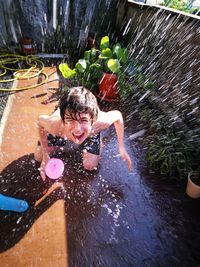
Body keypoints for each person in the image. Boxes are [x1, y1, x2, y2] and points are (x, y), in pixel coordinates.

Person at [34, 86, 132, 181]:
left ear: (93, 120)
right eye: (70, 120)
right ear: (63, 120)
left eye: (83, 120)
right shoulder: (54, 125)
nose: (77, 129)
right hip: (62, 128)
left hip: (91, 130)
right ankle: (73, 123)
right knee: (39, 157)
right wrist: (46, 153)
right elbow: (39, 122)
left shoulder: (101, 122)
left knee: (90, 165)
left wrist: (121, 146)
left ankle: (93, 138)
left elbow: (118, 116)